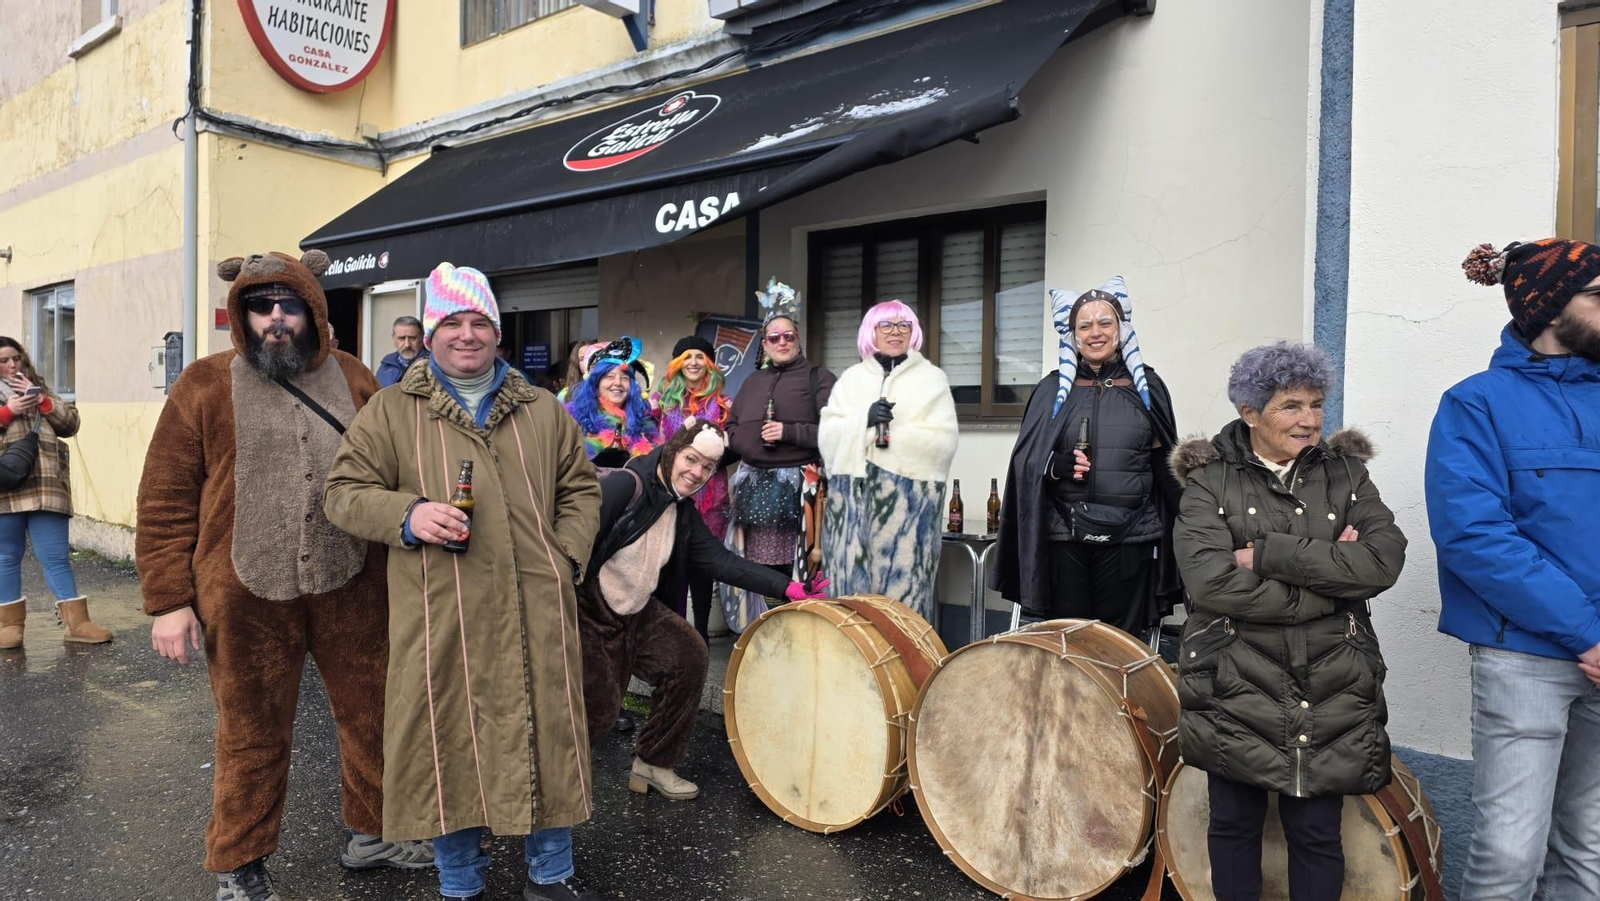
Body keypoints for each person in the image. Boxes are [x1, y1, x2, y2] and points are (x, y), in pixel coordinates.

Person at [137, 250, 432, 901]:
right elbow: (164, 497)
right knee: (250, 731)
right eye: (261, 306)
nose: (276, 318)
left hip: (351, 584)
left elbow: (401, 467)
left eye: (289, 305)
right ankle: (240, 861)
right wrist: (168, 601)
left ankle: (375, 830)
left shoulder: (356, 378)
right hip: (244, 593)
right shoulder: (204, 384)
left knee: (375, 714)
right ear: (243, 314)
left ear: (312, 309)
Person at [324, 262, 603, 901]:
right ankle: (459, 883)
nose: (467, 335)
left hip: (538, 606)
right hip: (440, 610)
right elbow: (342, 494)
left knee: (547, 734)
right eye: (453, 322)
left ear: (498, 334)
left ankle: (551, 876)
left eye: (480, 323)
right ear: (430, 333)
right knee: (446, 743)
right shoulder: (393, 411)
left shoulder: (544, 411)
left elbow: (580, 491)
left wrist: (565, 558)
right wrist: (409, 513)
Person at [1168, 342, 1406, 901]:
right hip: (1233, 674)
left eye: (1316, 404)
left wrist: (1270, 554)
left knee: (1317, 832)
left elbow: (1382, 560)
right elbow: (1211, 583)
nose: (1309, 420)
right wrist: (1333, 585)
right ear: (1250, 413)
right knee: (1233, 824)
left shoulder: (1346, 473)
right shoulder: (1209, 480)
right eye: (1290, 406)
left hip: (1331, 679)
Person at [1430, 240, 1600, 899]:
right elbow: (1474, 536)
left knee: (1588, 853)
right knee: (1508, 857)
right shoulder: (1476, 404)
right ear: (1551, 309)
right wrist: (1586, 634)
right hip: (1525, 658)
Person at [580, 419, 828, 802]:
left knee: (688, 656)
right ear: (672, 451)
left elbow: (720, 561)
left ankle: (653, 763)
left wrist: (789, 587)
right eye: (690, 459)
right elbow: (566, 543)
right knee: (597, 713)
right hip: (589, 612)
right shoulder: (623, 487)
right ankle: (544, 796)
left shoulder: (679, 510)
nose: (696, 472)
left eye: (707, 467)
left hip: (636, 611)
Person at [991, 277, 1182, 636]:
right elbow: (1026, 464)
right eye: (1085, 325)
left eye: (1105, 322)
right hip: (1065, 535)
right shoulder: (1051, 390)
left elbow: (1164, 463)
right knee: (1069, 640)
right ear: (1073, 335)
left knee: (1119, 642)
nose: (1096, 332)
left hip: (1130, 538)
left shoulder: (1147, 388)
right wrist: (1054, 466)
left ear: (1121, 329)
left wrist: (1197, 513)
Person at [816, 301, 957, 620]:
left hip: (907, 513)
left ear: (913, 332)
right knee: (850, 605)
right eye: (886, 326)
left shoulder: (931, 380)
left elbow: (943, 441)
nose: (895, 332)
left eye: (903, 325)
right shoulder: (851, 380)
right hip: (850, 513)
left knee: (903, 604)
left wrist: (895, 440)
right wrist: (862, 422)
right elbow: (827, 435)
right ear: (872, 332)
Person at [723, 280, 836, 630]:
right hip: (753, 488)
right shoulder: (752, 381)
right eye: (774, 337)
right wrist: (746, 444)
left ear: (798, 339)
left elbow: (838, 433)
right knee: (757, 569)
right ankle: (765, 633)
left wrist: (789, 432)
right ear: (765, 343)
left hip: (802, 491)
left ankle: (803, 635)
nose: (782, 342)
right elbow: (731, 427)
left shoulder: (819, 377)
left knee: (803, 570)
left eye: (788, 336)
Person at [0, 336, 108, 648]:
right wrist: (8, 412)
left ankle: (77, 623)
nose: (11, 366)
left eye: (15, 358)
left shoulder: (39, 389)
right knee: (6, 556)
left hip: (48, 487)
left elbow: (71, 423)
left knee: (56, 556)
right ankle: (10, 628)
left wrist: (43, 403)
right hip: (6, 489)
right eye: (4, 361)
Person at [651, 335, 733, 638]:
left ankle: (701, 637)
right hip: (669, 492)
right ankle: (671, 636)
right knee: (669, 563)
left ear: (709, 364)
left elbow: (731, 446)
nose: (694, 362)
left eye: (700, 356)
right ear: (677, 364)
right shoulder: (662, 401)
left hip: (710, 495)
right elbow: (644, 437)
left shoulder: (724, 404)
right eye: (687, 356)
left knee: (702, 565)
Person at [564, 337, 662, 469]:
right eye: (609, 377)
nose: (617, 383)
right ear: (596, 383)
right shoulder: (573, 417)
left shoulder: (642, 420)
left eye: (624, 378)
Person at [376, 315, 427, 388]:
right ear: (394, 339)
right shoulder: (385, 367)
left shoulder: (434, 365)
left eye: (412, 338)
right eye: (401, 338)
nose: (407, 345)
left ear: (422, 339)